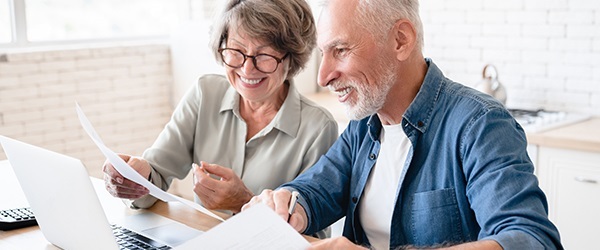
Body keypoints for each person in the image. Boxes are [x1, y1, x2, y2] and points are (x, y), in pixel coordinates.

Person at [242, 0, 563, 249]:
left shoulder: (480, 124)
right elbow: (316, 190)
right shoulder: (365, 124)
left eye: (340, 50)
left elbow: (531, 239)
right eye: (324, 54)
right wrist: (288, 204)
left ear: (400, 40)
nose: (324, 76)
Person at [102, 0, 338, 218]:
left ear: (291, 57)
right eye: (235, 51)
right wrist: (135, 178)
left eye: (264, 55)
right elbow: (156, 176)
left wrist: (243, 202)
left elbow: (312, 238)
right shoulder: (205, 94)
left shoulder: (318, 127)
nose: (247, 69)